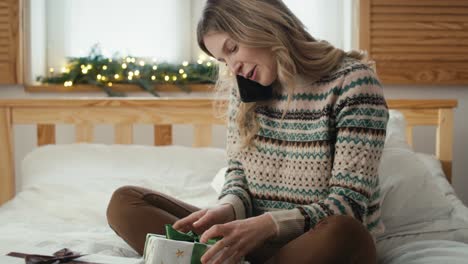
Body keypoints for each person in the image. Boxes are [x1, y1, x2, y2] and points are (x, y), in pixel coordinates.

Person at [106, 0, 389, 263]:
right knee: (126, 202)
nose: (233, 67)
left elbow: (349, 204)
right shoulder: (244, 90)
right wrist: (228, 208)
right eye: (223, 61)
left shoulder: (353, 82)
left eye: (232, 49)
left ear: (262, 25)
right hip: (245, 236)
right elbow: (238, 174)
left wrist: (268, 225)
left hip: (311, 243)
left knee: (344, 232)